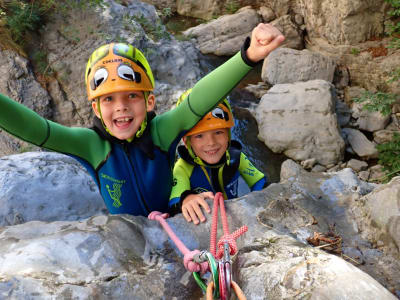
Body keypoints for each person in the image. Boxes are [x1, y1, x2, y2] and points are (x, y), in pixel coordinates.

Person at [0, 23, 284, 216]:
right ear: (96, 110)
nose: (121, 108)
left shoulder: (161, 132)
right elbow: (38, 130)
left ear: (149, 102)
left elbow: (198, 101)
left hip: (178, 223)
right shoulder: (92, 145)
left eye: (131, 97)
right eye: (109, 99)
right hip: (131, 239)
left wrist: (247, 56)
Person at [169, 92, 266, 224]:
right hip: (206, 223)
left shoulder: (236, 156)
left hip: (233, 216)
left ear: (228, 135)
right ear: (187, 142)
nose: (211, 143)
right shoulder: (182, 167)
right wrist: (187, 199)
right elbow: (175, 201)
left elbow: (259, 182)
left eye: (218, 132)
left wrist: (258, 203)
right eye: (199, 136)